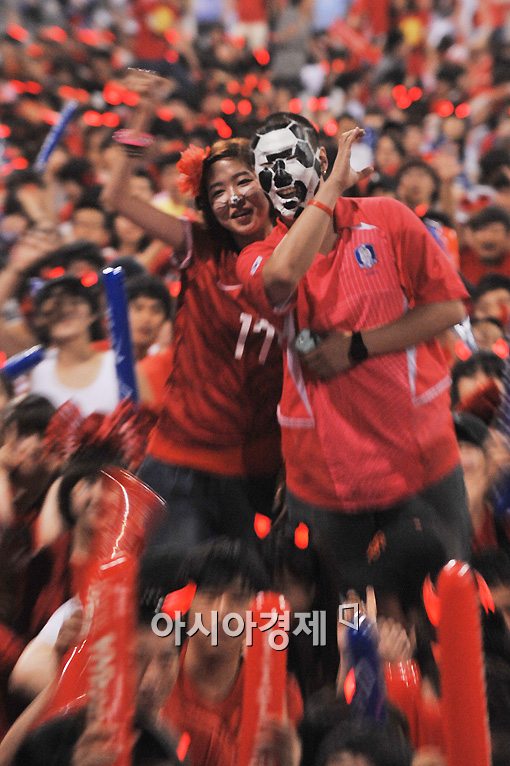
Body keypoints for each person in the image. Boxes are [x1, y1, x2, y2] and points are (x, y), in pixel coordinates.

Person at [237, 114, 470, 592]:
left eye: (290, 159)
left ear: (321, 160)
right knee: (346, 620)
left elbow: (448, 308)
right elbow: (282, 282)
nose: (279, 176)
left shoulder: (388, 218)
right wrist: (331, 190)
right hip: (326, 477)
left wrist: (356, 346)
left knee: (447, 606)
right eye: (266, 169)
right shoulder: (259, 257)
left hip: (420, 460)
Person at [102, 69, 282, 549]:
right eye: (217, 191)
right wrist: (142, 115)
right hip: (179, 464)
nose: (232, 198)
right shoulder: (198, 247)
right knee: (165, 585)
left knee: (253, 592)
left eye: (243, 181)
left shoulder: (300, 253)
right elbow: (116, 197)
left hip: (263, 470)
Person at [160, 537, 303, 766]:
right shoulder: (155, 684)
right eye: (210, 595)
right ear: (185, 605)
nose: (222, 612)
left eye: (238, 598)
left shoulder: (282, 696)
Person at [29, 276, 120, 416]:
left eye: (74, 303)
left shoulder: (117, 362)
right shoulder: (40, 374)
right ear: (42, 320)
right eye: (55, 307)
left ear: (92, 313)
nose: (66, 310)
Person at [126, 274, 172, 361]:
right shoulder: (103, 358)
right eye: (138, 308)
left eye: (156, 310)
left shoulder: (172, 362)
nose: (146, 318)